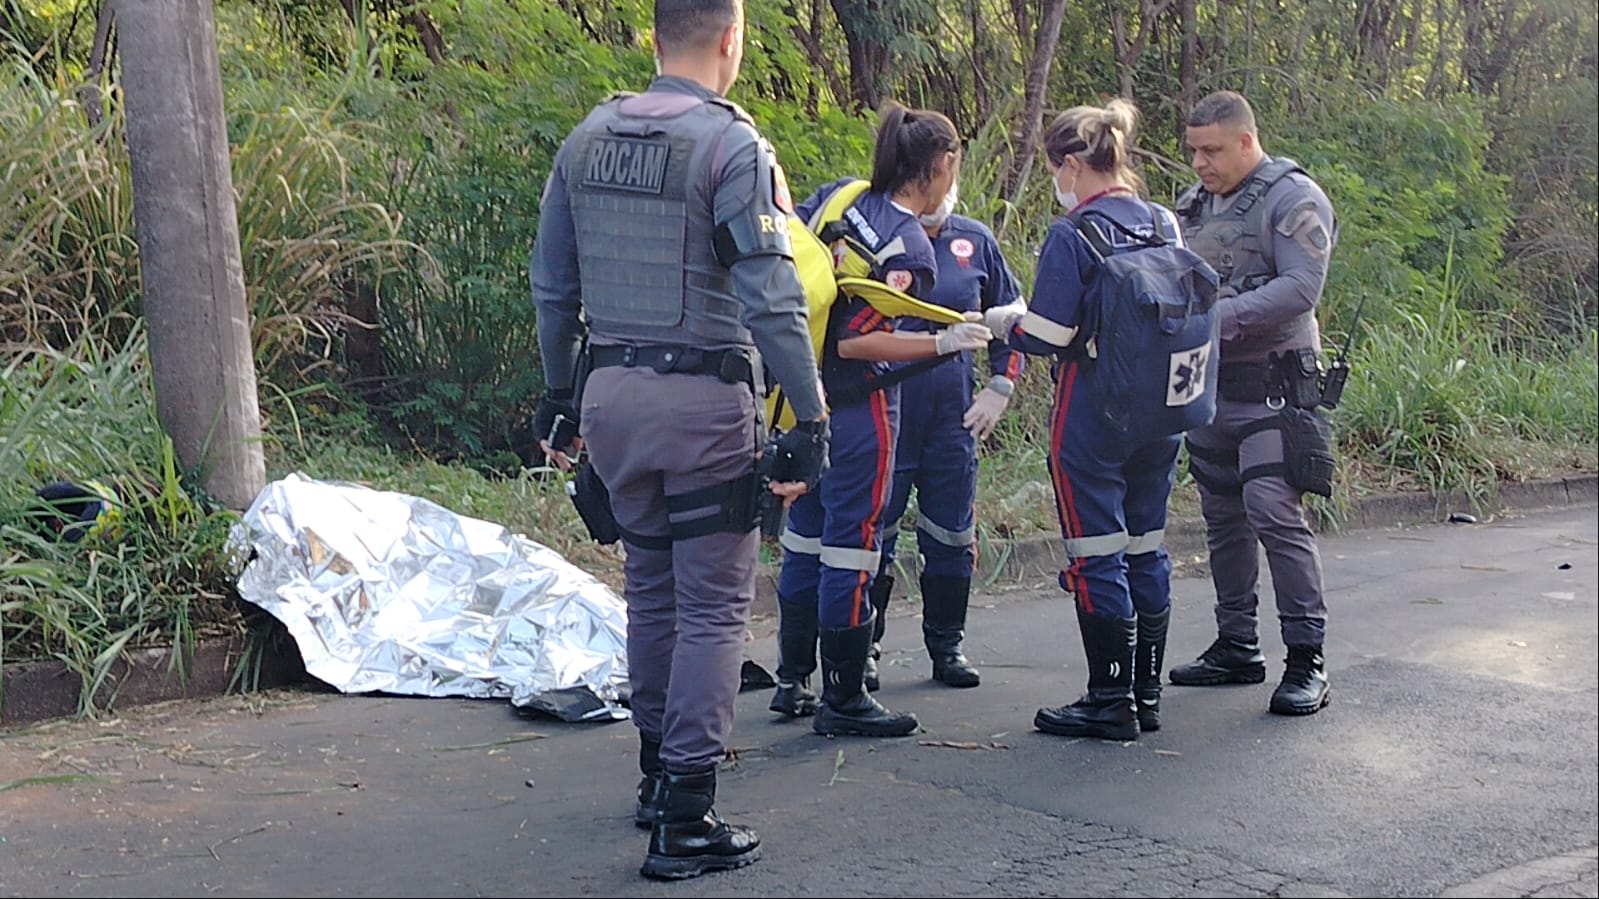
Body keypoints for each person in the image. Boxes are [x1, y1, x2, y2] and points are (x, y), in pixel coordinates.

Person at [529, 0, 831, 880]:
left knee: (651, 592)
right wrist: (809, 419)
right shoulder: (732, 147)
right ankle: (688, 816)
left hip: (611, 396)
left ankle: (656, 777)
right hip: (702, 397)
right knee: (710, 605)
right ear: (732, 39)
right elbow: (773, 297)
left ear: (651, 38)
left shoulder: (585, 140)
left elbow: (553, 287)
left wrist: (560, 397)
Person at [985, 98, 1209, 740]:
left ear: (1074, 164)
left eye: (1058, 168)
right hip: (1164, 408)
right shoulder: (1164, 222)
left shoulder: (1073, 234)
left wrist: (1007, 324)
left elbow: (1051, 333)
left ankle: (1107, 698)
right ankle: (1145, 695)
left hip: (1092, 411)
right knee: (1146, 544)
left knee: (1095, 550)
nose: (1059, 181)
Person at [768, 103, 992, 737]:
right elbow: (859, 343)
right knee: (854, 546)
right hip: (863, 407)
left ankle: (792, 680)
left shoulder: (843, 198)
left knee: (805, 537)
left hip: (801, 397)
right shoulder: (910, 245)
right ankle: (844, 700)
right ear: (942, 165)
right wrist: (943, 343)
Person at [1167, 90, 1339, 716]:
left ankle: (1306, 658)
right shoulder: (1193, 206)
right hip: (1211, 391)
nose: (1199, 163)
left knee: (1273, 510)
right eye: (1193, 151)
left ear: (1246, 141)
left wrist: (1219, 320)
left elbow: (1301, 287)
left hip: (1275, 389)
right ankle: (1236, 644)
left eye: (1211, 150)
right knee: (1223, 518)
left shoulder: (1293, 199)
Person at [862, 184, 1028, 692]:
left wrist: (1002, 384)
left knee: (952, 536)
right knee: (874, 536)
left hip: (953, 417)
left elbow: (1014, 317)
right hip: (886, 412)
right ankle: (864, 647)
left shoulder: (974, 240)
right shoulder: (875, 238)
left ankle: (947, 644)